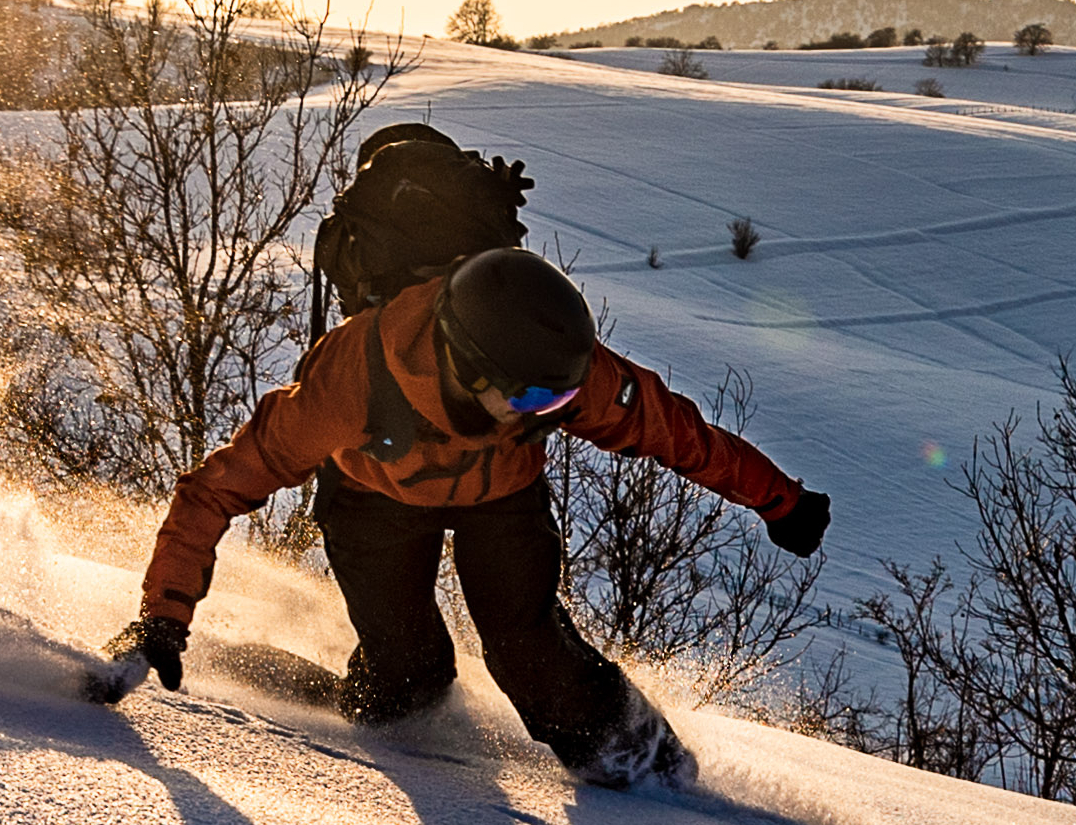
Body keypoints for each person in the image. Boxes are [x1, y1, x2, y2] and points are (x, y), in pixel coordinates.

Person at [92, 244, 832, 786]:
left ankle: (649, 767)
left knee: (531, 652)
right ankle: (293, 683)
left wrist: (780, 501)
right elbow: (216, 488)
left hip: (500, 495)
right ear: (469, 367)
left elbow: (677, 432)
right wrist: (163, 614)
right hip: (374, 498)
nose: (560, 413)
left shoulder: (564, 373)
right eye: (541, 403)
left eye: (566, 400)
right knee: (407, 678)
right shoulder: (349, 382)